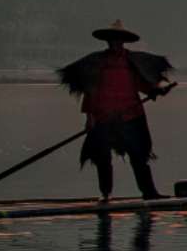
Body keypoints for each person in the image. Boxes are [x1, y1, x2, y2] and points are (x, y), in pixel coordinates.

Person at [56, 20, 176, 201]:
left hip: (130, 116)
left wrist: (156, 91)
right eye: (112, 40)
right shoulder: (97, 63)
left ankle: (149, 193)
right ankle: (105, 195)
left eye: (118, 40)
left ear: (123, 41)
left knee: (139, 155)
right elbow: (90, 91)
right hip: (103, 117)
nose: (115, 43)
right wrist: (89, 118)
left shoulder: (132, 61)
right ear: (108, 42)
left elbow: (142, 85)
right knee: (102, 158)